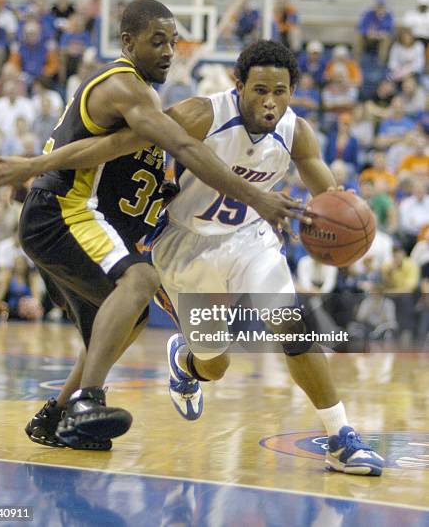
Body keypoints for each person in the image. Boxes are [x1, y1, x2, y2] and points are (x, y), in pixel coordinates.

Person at [0, 2, 306, 451]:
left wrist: (165, 196)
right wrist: (259, 198)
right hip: (66, 211)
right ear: (128, 42)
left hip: (80, 217)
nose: (169, 51)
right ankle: (88, 401)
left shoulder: (144, 98)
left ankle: (57, 416)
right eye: (158, 41)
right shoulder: (124, 87)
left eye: (173, 41)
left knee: (127, 320)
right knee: (141, 280)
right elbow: (184, 147)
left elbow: (117, 155)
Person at [147, 41, 383, 476]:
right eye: (259, 90)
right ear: (239, 85)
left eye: (280, 90)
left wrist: (343, 223)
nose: (269, 101)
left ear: (293, 90)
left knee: (292, 323)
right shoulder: (202, 114)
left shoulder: (297, 132)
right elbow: (141, 146)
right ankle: (184, 358)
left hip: (250, 240)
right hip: (187, 248)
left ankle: (341, 437)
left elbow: (327, 201)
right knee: (214, 366)